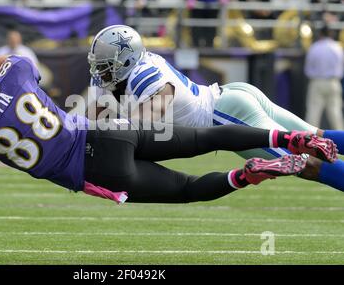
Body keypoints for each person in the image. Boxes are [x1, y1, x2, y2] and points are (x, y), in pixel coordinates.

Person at [0, 49, 336, 204]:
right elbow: (4, 62)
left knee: (189, 189)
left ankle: (245, 176)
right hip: (108, 132)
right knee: (212, 138)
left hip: (95, 169)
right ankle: (286, 138)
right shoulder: (17, 73)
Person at [86, 25, 344, 192]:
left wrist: (104, 144)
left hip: (227, 115)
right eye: (99, 64)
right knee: (318, 138)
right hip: (232, 96)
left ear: (127, 60)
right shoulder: (111, 77)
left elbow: (139, 132)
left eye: (106, 64)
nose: (100, 70)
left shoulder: (146, 76)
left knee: (308, 162)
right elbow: (93, 123)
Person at [304, 26, 344, 130]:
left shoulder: (314, 47)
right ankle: (341, 139)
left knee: (313, 112)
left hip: (317, 82)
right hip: (333, 82)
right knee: (336, 113)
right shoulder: (337, 47)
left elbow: (308, 69)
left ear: (320, 34)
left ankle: (309, 139)